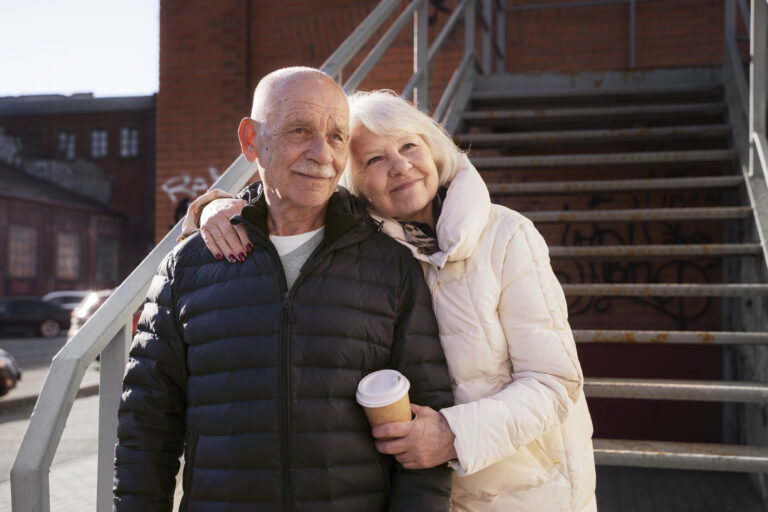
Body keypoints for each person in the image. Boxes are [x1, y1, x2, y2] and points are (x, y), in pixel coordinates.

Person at [190, 89, 597, 511]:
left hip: (530, 491)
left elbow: (554, 381)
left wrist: (452, 435)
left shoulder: (507, 236)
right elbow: (286, 202)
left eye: (408, 146)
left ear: (433, 148)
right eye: (374, 160)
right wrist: (218, 210)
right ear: (354, 182)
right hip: (427, 497)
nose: (400, 166)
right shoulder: (362, 250)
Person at [113, 69, 454, 511]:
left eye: (336, 137)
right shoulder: (189, 266)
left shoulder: (392, 268)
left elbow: (425, 433)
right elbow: (146, 425)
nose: (322, 154)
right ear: (251, 140)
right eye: (300, 130)